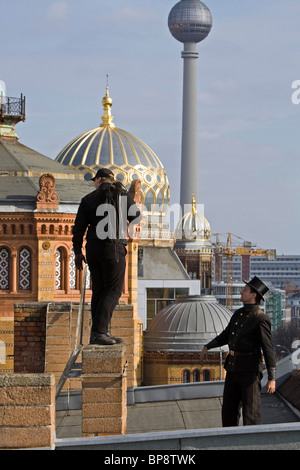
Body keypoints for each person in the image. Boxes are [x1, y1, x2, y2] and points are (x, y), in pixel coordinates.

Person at [72, 168, 141, 345]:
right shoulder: (121, 195)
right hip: (113, 248)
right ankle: (99, 332)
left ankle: (99, 332)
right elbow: (136, 215)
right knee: (113, 290)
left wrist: (77, 252)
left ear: (99, 180)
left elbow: (78, 228)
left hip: (93, 249)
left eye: (95, 180)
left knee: (99, 290)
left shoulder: (88, 199)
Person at [200, 276, 276, 426]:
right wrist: (208, 346)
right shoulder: (238, 314)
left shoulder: (261, 318)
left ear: (253, 295)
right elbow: (226, 335)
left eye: (245, 290)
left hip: (250, 371)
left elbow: (268, 349)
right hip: (233, 367)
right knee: (228, 412)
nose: (241, 292)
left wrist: (272, 378)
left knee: (251, 414)